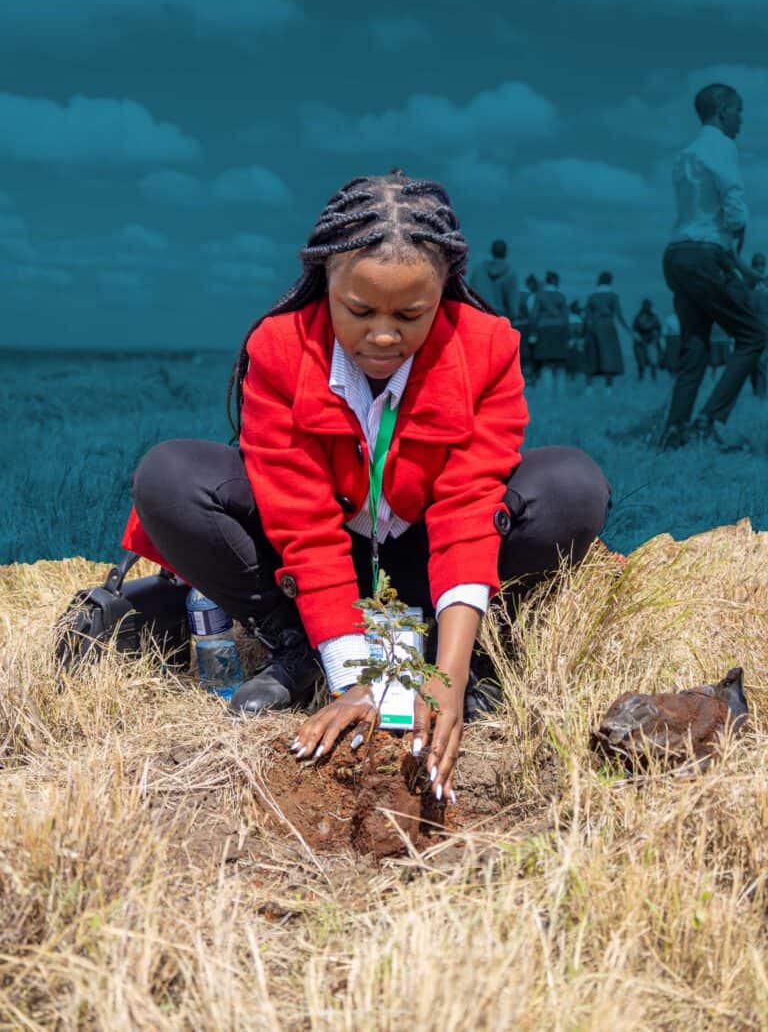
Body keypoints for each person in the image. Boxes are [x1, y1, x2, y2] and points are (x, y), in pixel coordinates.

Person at [120, 169, 610, 802]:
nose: (384, 336)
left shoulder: (487, 348)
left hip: (429, 554)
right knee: (169, 476)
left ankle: (458, 648)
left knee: (572, 485)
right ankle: (298, 648)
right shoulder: (277, 349)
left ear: (447, 292)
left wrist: (448, 677)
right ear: (325, 281)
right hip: (320, 563)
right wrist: (354, 677)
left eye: (412, 314)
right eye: (359, 310)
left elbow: (468, 508)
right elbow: (300, 523)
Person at [659, 82, 768, 450]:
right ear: (723, 110)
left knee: (696, 344)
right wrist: (739, 230)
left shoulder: (685, 154)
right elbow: (732, 199)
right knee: (753, 334)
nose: (741, 119)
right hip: (706, 254)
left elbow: (697, 212)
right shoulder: (721, 145)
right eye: (738, 111)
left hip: (677, 253)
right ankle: (710, 419)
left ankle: (674, 429)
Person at [584, 271, 631, 392]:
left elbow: (587, 315)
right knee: (610, 358)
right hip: (608, 327)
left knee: (593, 357)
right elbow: (619, 315)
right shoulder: (613, 296)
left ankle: (589, 387)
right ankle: (608, 388)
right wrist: (629, 330)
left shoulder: (592, 297)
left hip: (594, 327)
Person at [529, 270, 569, 394]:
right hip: (559, 330)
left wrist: (533, 333)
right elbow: (566, 317)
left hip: (544, 330)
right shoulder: (561, 296)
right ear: (556, 282)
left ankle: (547, 393)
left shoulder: (539, 296)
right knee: (560, 364)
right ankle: (561, 393)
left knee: (546, 363)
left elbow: (534, 316)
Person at [469, 239, 519, 325]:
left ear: (491, 251)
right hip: (499, 320)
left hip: (479, 318)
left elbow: (470, 295)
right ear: (506, 253)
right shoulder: (510, 274)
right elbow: (513, 307)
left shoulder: (478, 270)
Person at [749, 252, 768, 398]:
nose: (759, 268)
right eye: (757, 264)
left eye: (762, 264)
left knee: (762, 362)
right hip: (751, 330)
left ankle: (761, 396)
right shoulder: (746, 285)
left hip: (766, 329)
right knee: (753, 364)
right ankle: (758, 394)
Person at [632, 299, 662, 381]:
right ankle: (640, 378)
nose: (647, 307)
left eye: (648, 305)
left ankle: (654, 379)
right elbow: (634, 330)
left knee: (653, 361)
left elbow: (659, 329)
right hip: (640, 342)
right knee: (641, 362)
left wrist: (656, 339)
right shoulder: (638, 317)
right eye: (646, 305)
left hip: (652, 341)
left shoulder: (654, 317)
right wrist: (638, 338)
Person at [566, 300, 587, 382]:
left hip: (571, 341)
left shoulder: (569, 318)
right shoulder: (580, 319)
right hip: (577, 341)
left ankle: (572, 373)